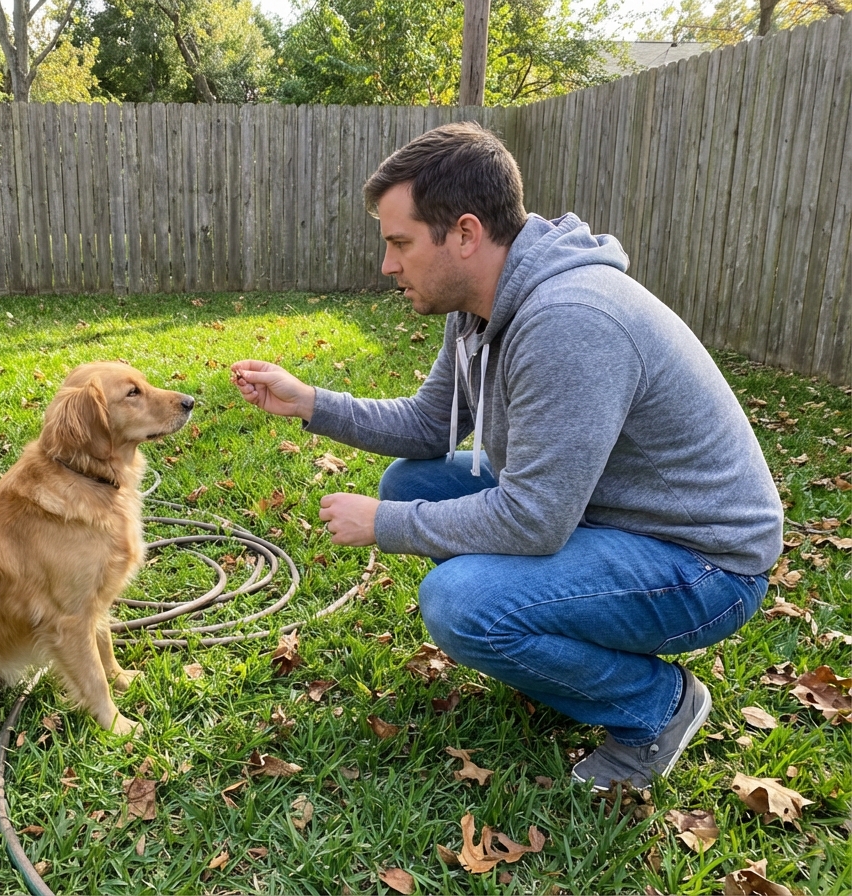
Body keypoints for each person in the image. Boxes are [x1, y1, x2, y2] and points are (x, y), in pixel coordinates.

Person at [230, 121, 782, 790]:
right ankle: (557, 649)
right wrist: (311, 402)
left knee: (459, 603)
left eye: (400, 243)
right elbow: (428, 426)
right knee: (412, 482)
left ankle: (656, 706)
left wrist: (383, 525)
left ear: (465, 233)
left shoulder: (570, 320)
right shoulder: (479, 308)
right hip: (603, 516)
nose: (387, 266)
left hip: (702, 563)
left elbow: (533, 519)